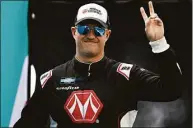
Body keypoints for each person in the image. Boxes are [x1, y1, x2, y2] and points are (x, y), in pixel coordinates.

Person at [14, 1, 183, 128]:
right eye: (83, 29)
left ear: (107, 35)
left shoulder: (125, 75)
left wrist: (159, 42)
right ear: (74, 32)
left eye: (99, 29)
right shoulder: (51, 79)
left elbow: (172, 90)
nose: (91, 34)